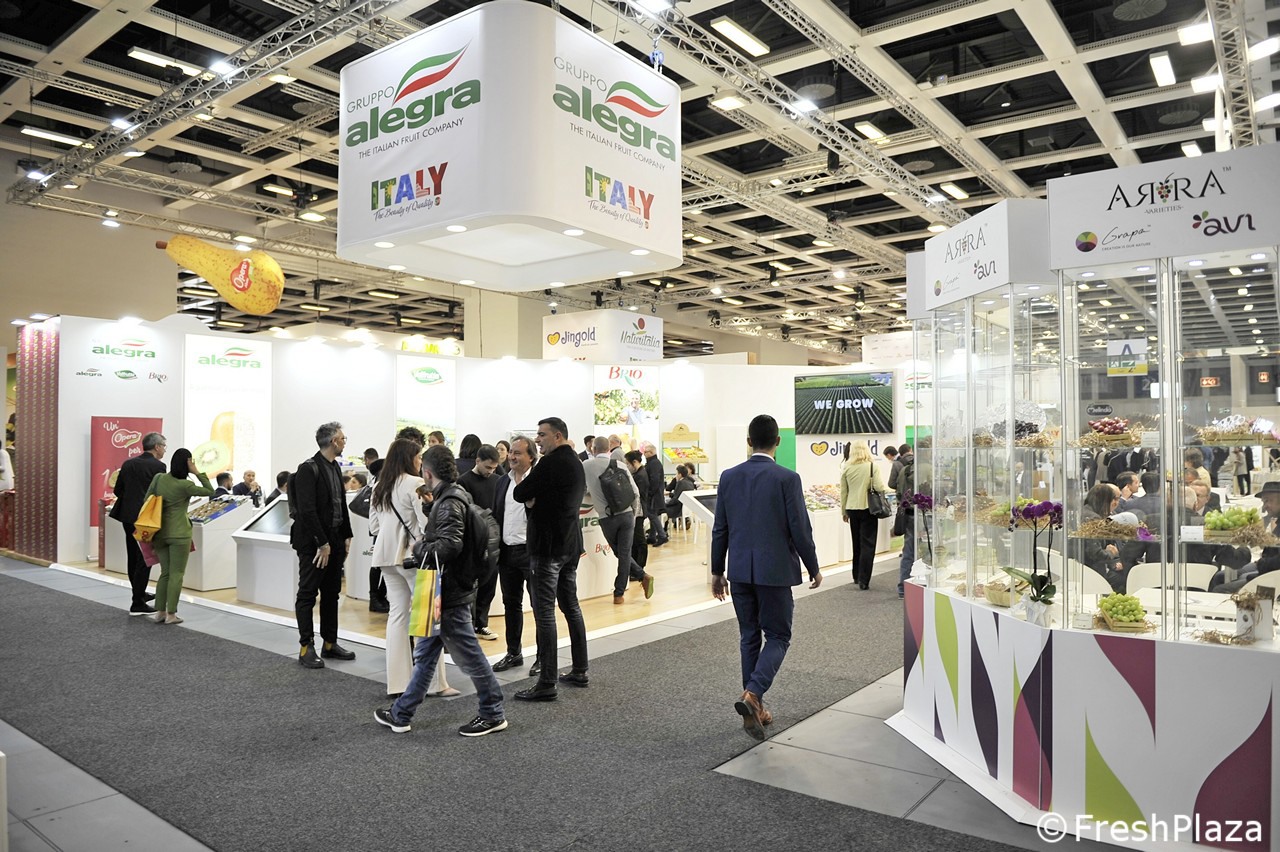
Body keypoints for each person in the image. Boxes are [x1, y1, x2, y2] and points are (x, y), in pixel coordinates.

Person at [374, 445, 508, 738]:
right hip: (440, 589)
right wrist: (428, 508)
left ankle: (493, 712)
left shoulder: (449, 502)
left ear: (427, 472)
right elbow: (449, 533)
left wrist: (419, 547)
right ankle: (401, 713)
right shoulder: (451, 497)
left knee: (469, 656)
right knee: (425, 654)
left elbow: (449, 545)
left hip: (447, 591)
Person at [712, 414, 821, 740]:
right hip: (775, 571)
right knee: (778, 636)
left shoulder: (729, 476)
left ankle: (756, 708)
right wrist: (813, 566)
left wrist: (717, 571)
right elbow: (799, 528)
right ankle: (754, 693)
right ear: (778, 441)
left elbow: (720, 528)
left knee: (749, 636)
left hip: (740, 571)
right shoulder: (787, 478)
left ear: (748, 441)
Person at [369, 439, 453, 699]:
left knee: (397, 616)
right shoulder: (415, 483)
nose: (420, 462)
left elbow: (373, 526)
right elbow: (428, 523)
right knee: (426, 617)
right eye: (418, 457)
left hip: (386, 556)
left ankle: (398, 684)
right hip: (415, 557)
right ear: (410, 458)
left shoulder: (379, 485)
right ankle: (435, 684)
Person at [512, 416, 588, 701]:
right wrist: (534, 499)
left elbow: (521, 494)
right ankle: (580, 669)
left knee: (544, 612)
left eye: (542, 435)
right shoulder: (575, 462)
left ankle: (546, 682)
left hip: (548, 548)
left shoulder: (550, 463)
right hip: (569, 545)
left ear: (558, 436)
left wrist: (528, 490)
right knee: (571, 607)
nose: (538, 439)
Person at [289, 421, 357, 669]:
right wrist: (322, 543)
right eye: (342, 438)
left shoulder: (335, 466)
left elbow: (340, 505)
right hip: (313, 543)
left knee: (331, 593)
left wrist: (346, 536)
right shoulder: (308, 469)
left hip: (335, 541)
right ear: (333, 441)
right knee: (308, 593)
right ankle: (306, 646)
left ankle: (330, 642)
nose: (344, 442)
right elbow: (307, 511)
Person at [144, 448, 216, 624]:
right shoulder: (185, 485)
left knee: (165, 573)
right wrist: (197, 472)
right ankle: (171, 614)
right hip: (179, 533)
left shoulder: (159, 478)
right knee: (176, 574)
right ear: (187, 463)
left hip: (159, 532)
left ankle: (160, 612)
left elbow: (147, 499)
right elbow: (210, 491)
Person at [583, 436, 653, 605]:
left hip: (607, 517)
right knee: (624, 553)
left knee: (620, 553)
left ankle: (626, 588)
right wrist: (633, 514)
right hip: (627, 514)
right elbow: (635, 492)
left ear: (593, 449)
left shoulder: (586, 465)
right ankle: (626, 588)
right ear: (609, 449)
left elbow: (581, 488)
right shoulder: (620, 465)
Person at [492, 435, 540, 676]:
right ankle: (513, 652)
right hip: (507, 552)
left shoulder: (539, 480)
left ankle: (543, 656)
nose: (511, 456)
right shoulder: (503, 481)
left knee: (539, 606)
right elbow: (496, 514)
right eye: (511, 452)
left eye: (518, 453)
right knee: (511, 604)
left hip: (531, 552)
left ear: (531, 457)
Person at [109, 431, 166, 616]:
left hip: (127, 516)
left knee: (133, 556)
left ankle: (139, 593)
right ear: (157, 447)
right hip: (146, 519)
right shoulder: (159, 466)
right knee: (145, 558)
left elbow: (117, 490)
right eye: (164, 446)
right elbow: (160, 493)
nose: (164, 450)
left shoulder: (128, 463)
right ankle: (137, 602)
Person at [458, 444, 501, 640]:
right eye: (487, 467)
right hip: (473, 541)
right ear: (477, 461)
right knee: (471, 587)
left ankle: (481, 624)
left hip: (494, 541)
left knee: (489, 585)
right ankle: (468, 625)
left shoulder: (498, 481)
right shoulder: (463, 481)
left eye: (493, 468)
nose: (490, 471)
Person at [840, 443, 888, 591]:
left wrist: (843, 511)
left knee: (856, 543)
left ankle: (856, 575)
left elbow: (843, 491)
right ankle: (864, 579)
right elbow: (879, 487)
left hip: (852, 508)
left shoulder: (847, 468)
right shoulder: (872, 467)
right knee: (868, 544)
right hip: (868, 509)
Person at [1075, 483, 1126, 592]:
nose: (1115, 504)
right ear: (1105, 500)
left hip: (1079, 569)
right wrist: (1110, 552)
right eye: (1113, 499)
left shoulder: (1084, 512)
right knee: (1126, 577)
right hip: (1091, 573)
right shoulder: (1094, 519)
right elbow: (1095, 554)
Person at [894, 442, 916, 599]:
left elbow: (898, 491)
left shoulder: (904, 470)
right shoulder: (928, 469)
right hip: (923, 514)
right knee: (927, 551)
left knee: (908, 551)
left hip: (907, 514)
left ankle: (903, 587)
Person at [625, 450, 650, 580]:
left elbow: (637, 496)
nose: (627, 466)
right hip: (637, 511)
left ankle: (640, 568)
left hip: (639, 512)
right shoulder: (639, 473)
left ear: (634, 462)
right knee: (635, 540)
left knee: (639, 541)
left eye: (628, 464)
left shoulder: (640, 475)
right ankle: (635, 569)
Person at [642, 441, 667, 547]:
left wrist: (650, 492)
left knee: (651, 514)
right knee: (653, 515)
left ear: (651, 452)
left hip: (654, 495)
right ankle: (652, 536)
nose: (644, 454)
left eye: (646, 452)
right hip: (655, 494)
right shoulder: (652, 463)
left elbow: (654, 480)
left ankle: (662, 535)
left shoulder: (654, 463)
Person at [664, 464, 696, 532]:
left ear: (680, 474)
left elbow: (676, 499)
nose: (676, 475)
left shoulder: (680, 483)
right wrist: (670, 494)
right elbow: (679, 495)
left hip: (677, 509)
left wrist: (666, 503)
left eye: (676, 473)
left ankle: (662, 530)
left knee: (659, 509)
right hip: (685, 508)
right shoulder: (690, 482)